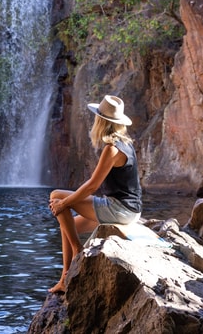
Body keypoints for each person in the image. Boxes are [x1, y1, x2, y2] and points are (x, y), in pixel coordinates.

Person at [48, 95, 142, 294]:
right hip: (127, 208)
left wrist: (64, 203)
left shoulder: (112, 149)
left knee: (57, 196)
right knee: (68, 225)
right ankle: (64, 278)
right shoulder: (125, 144)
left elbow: (92, 186)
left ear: (101, 121)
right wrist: (64, 204)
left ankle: (77, 252)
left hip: (120, 209)